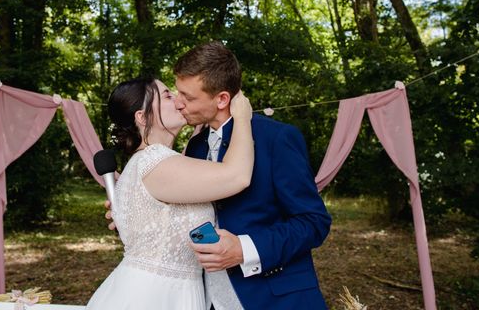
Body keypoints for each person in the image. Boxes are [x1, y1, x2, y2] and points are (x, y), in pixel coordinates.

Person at [174, 41, 331, 310]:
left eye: (188, 97)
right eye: (178, 93)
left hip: (276, 299)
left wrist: (244, 250)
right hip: (207, 299)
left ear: (222, 98)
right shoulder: (195, 146)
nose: (178, 104)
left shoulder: (276, 138)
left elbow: (314, 222)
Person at [86, 75, 254, 310]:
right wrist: (243, 117)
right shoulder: (154, 162)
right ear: (142, 117)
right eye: (167, 95)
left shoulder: (155, 162)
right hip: (152, 297)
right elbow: (237, 176)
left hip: (171, 292)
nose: (177, 100)